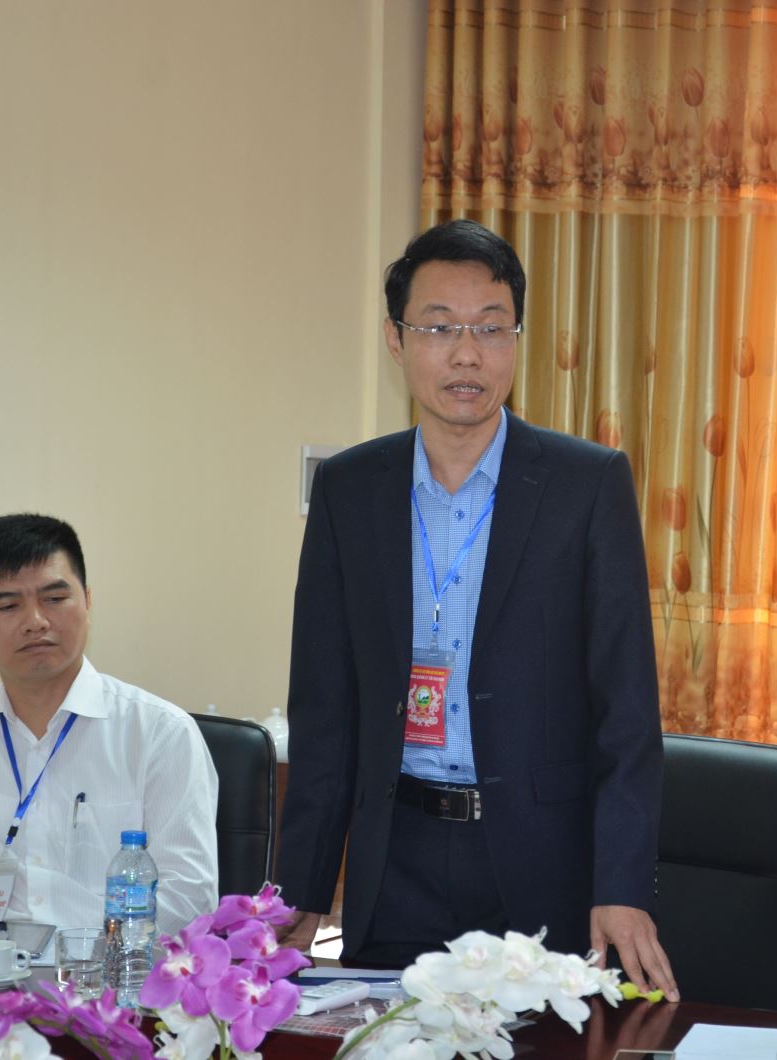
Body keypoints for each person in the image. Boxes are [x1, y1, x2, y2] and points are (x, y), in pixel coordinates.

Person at [273, 220, 677, 997]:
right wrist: (303, 887)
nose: (467, 354)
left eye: (491, 328)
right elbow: (325, 710)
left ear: (517, 341)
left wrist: (621, 884)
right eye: (439, 328)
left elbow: (627, 712)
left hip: (542, 865)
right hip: (396, 861)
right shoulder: (350, 490)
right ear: (396, 340)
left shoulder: (586, 486)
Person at [0, 514, 219, 934]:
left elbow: (189, 900)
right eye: (8, 605)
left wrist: (50, 945)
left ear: (87, 601)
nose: (36, 621)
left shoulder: (161, 733)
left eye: (54, 598)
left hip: (110, 971)